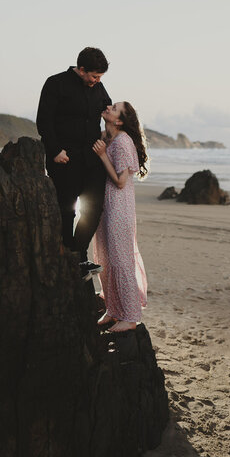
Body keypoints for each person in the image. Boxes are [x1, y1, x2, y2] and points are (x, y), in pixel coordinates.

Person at [36, 47, 111, 279]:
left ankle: (77, 255)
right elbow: (44, 120)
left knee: (94, 207)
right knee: (66, 210)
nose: (96, 81)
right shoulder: (55, 83)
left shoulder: (98, 86)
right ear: (81, 69)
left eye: (100, 77)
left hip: (91, 159)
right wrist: (55, 150)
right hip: (64, 159)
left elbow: (108, 109)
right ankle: (70, 258)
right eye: (93, 76)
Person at [92, 101, 148, 332]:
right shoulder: (109, 137)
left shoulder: (123, 141)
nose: (108, 107)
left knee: (120, 261)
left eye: (114, 108)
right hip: (107, 206)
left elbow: (121, 181)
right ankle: (113, 309)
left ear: (120, 120)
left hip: (119, 209)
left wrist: (103, 155)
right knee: (104, 259)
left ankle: (131, 317)